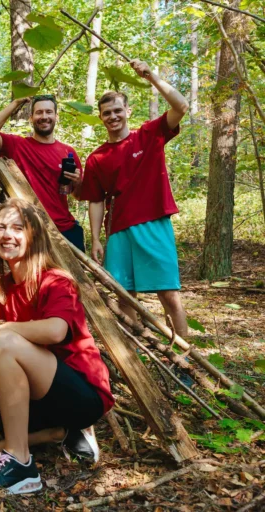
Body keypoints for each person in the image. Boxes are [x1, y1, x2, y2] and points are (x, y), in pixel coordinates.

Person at [0, 199, 114, 493]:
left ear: (34, 236)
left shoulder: (55, 281)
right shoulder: (3, 286)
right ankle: (57, 434)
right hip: (33, 398)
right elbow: (3, 357)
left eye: (17, 228)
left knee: (3, 339)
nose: (6, 235)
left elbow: (55, 331)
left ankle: (20, 463)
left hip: (80, 395)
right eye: (1, 227)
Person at [78, 60, 189, 337]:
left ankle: (184, 353)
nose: (113, 116)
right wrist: (95, 239)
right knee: (124, 295)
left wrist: (151, 76)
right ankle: (133, 352)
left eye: (117, 110)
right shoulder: (97, 157)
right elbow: (95, 201)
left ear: (128, 111)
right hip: (118, 229)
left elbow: (181, 107)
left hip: (153, 222)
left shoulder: (149, 135)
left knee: (168, 293)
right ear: (101, 118)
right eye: (107, 113)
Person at [0, 94, 86, 251]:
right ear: (31, 118)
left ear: (56, 116)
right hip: (31, 229)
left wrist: (77, 182)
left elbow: (78, 196)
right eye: (39, 112)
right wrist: (15, 103)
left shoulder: (67, 152)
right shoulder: (18, 145)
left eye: (49, 112)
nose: (44, 116)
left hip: (65, 230)